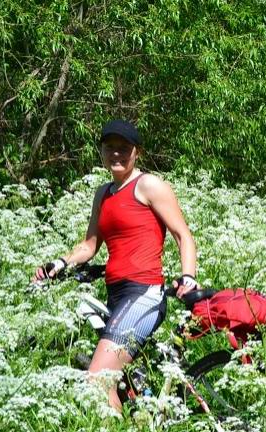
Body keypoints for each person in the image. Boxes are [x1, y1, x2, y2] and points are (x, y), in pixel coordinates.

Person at [34, 119, 199, 416]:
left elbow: (182, 235)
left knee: (97, 379)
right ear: (101, 151)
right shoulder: (104, 194)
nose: (116, 154)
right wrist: (58, 264)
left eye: (124, 148)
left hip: (144, 293)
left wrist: (188, 276)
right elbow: (89, 246)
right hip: (117, 295)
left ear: (137, 152)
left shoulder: (148, 185)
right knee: (120, 382)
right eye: (110, 147)